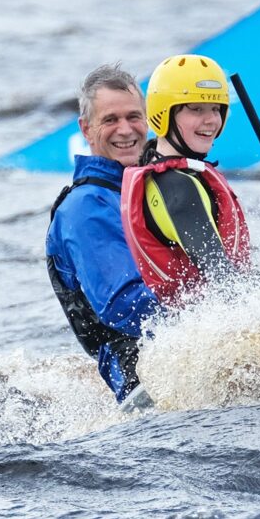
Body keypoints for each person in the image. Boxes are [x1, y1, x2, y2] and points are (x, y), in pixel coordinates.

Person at [45, 64, 161, 409]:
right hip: (144, 385)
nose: (125, 130)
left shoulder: (156, 187)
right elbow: (125, 307)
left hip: (180, 361)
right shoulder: (86, 207)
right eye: (110, 119)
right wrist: (220, 315)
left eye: (133, 117)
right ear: (86, 128)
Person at [121, 54, 252, 306]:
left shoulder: (173, 173)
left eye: (216, 109)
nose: (211, 120)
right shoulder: (177, 187)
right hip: (213, 327)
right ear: (164, 113)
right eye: (196, 109)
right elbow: (225, 283)